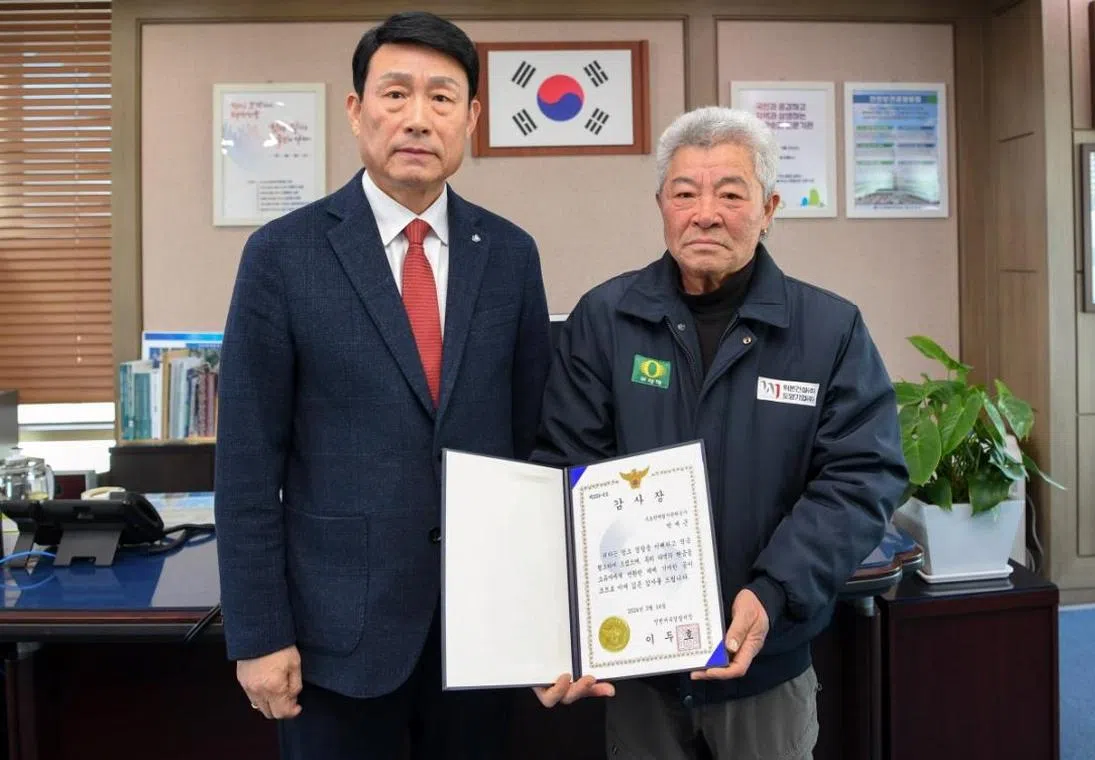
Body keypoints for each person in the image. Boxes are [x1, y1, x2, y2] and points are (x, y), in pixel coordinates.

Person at [213, 11, 551, 760]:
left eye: (441, 98)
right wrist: (260, 634)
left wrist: (545, 620)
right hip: (336, 637)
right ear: (356, 110)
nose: (416, 118)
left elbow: (534, 446)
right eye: (395, 94)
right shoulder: (282, 255)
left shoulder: (510, 255)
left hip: (483, 635)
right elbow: (245, 465)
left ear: (470, 118)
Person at [529, 106, 908, 760]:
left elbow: (862, 477)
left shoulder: (829, 330)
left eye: (730, 193)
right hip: (638, 672)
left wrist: (774, 590)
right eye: (685, 193)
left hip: (766, 659)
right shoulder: (605, 320)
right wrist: (561, 624)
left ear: (769, 207)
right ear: (661, 206)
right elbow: (567, 470)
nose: (705, 212)